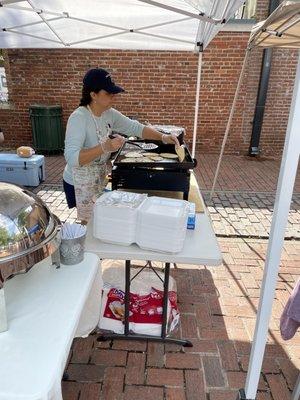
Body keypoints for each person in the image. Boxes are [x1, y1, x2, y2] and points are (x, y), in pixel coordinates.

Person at [63, 68, 179, 221]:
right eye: (108, 93)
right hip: (78, 182)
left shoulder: (108, 113)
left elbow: (135, 128)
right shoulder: (79, 118)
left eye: (113, 93)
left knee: (98, 220)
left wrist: (163, 137)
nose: (113, 97)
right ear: (93, 95)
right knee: (90, 223)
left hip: (97, 177)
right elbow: (72, 158)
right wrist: (105, 147)